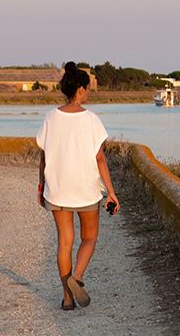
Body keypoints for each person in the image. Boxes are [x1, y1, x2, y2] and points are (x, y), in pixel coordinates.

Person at [36, 62, 120, 310]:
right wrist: (111, 192)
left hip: (58, 188)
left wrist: (41, 186)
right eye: (88, 89)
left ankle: (68, 299)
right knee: (90, 237)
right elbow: (99, 158)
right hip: (85, 189)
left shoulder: (51, 117)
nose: (89, 94)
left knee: (65, 242)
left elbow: (43, 157)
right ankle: (78, 278)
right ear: (81, 89)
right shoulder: (91, 120)